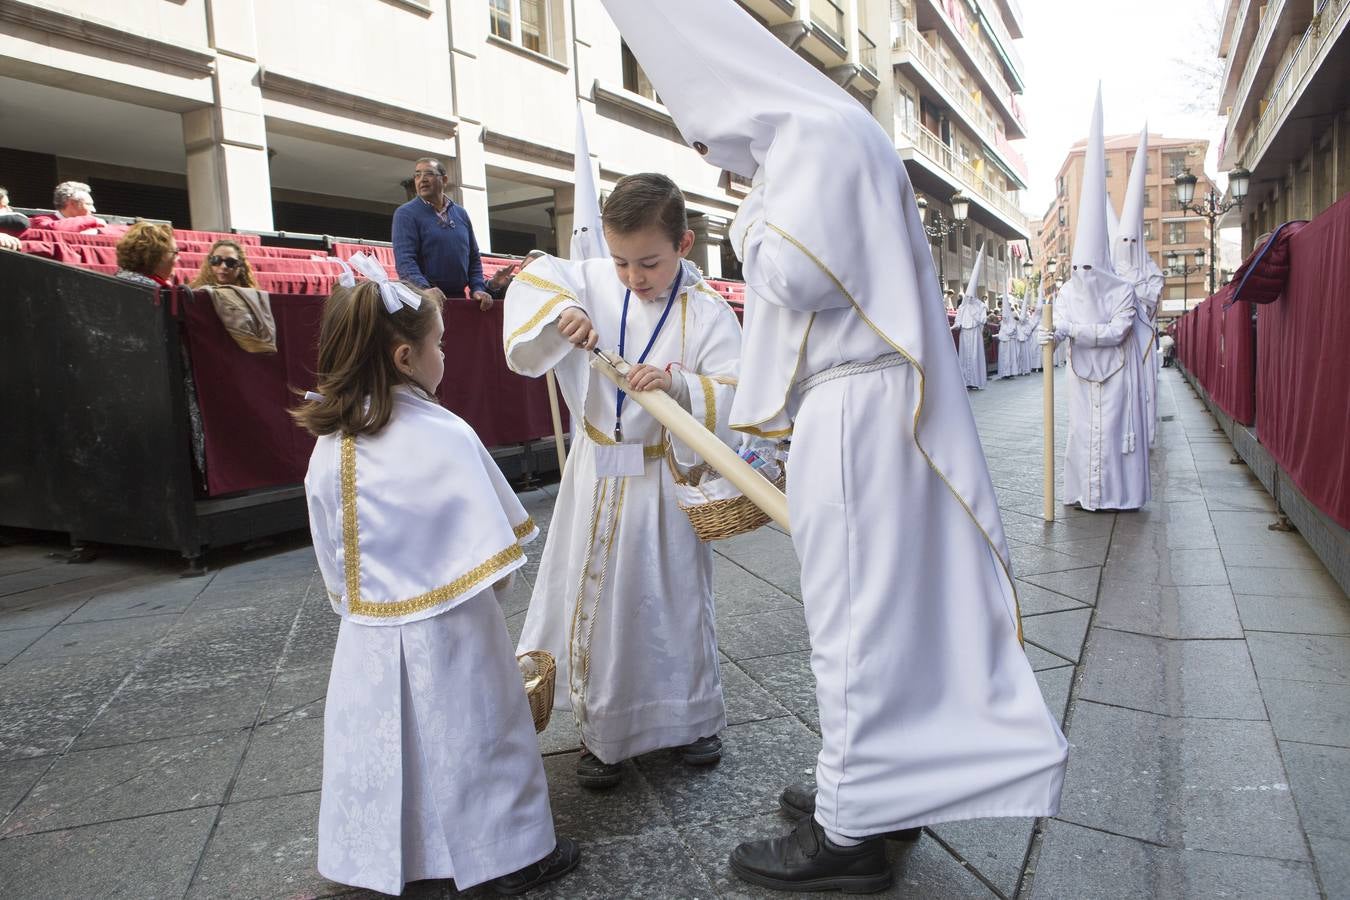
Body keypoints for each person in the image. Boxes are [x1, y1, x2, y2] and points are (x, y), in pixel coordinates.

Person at [600, 1, 1068, 892]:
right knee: (880, 614)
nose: (707, 151)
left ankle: (852, 830)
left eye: (702, 128)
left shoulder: (809, 137)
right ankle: (881, 794)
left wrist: (744, 218)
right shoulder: (831, 131)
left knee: (851, 621)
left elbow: (797, 273)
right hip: (866, 401)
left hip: (854, 408)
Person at [292, 266, 579, 896]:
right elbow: (492, 551)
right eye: (439, 344)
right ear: (406, 357)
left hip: (368, 637)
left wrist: (371, 603)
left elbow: (333, 554)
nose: (443, 354)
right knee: (473, 732)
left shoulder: (329, 441)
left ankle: (383, 856)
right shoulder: (441, 436)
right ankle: (505, 856)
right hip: (453, 630)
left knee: (385, 739)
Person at [503, 173, 740, 790]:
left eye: (650, 262)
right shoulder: (591, 281)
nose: (633, 276)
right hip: (596, 469)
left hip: (662, 475)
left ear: (684, 245)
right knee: (598, 602)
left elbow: (740, 393)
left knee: (672, 599)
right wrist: (565, 311)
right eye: (620, 261)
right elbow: (534, 279)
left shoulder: (708, 311)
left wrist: (682, 386)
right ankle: (603, 732)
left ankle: (690, 721)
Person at [1040, 88, 1151, 512]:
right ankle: (1084, 493)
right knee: (1083, 432)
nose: (1083, 276)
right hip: (1080, 375)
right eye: (1078, 267)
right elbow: (1056, 324)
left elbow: (1119, 330)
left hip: (1119, 372)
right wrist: (1048, 333)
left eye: (1091, 267)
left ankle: (1117, 496)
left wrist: (1074, 330)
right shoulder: (1067, 290)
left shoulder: (1122, 290)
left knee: (1115, 432)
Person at [1113, 129, 1165, 448]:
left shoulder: (1151, 271)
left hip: (1141, 342)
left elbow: (1150, 297)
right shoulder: (1110, 270)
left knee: (1143, 391)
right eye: (1124, 241)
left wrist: (1133, 291)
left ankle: (1145, 437)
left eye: (1134, 240)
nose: (1129, 246)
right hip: (1118, 344)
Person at [392, 157, 494, 311]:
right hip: (425, 302)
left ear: (444, 179)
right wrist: (424, 289)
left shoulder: (461, 213)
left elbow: (473, 257)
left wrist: (478, 288)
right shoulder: (406, 213)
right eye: (417, 175)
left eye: (429, 174)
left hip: (459, 300)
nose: (422, 180)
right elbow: (405, 260)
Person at [951, 250, 989, 390]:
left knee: (974, 356)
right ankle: (966, 381)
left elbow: (983, 320)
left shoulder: (980, 306)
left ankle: (976, 380)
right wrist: (952, 327)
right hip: (964, 334)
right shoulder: (962, 306)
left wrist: (974, 313)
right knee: (965, 357)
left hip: (974, 333)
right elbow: (958, 321)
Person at [114, 221, 178, 287]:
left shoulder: (117, 279)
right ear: (158, 255)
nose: (178, 257)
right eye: (176, 252)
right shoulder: (157, 293)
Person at [26, 181, 107, 233]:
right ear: (72, 203)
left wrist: (97, 231)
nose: (94, 210)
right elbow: (53, 229)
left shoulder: (95, 224)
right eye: (88, 204)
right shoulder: (41, 220)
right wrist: (91, 220)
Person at [189, 239, 259, 289]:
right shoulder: (195, 292)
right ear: (210, 262)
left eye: (230, 262)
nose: (223, 266)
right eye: (217, 260)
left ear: (240, 266)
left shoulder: (251, 296)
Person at [995, 291, 1017, 378]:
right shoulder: (1002, 323)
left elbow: (1012, 331)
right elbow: (1002, 332)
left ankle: (1009, 373)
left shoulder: (1012, 322)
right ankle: (1003, 373)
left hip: (1009, 342)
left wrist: (1006, 330)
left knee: (1009, 358)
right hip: (1003, 341)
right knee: (1002, 357)